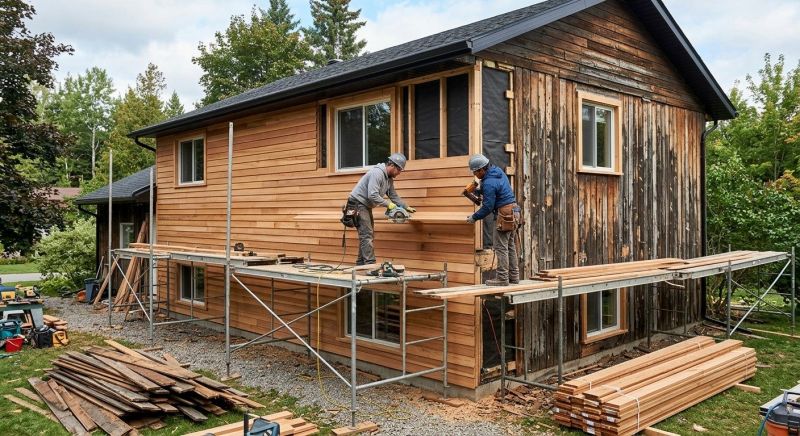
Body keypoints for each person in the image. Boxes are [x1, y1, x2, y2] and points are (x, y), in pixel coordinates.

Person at [347, 153, 415, 265]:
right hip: (357, 204)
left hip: (365, 205)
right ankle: (370, 265)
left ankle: (360, 263)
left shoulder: (389, 179)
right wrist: (388, 205)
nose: (399, 173)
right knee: (367, 235)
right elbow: (372, 195)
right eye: (399, 170)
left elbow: (393, 196)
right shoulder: (377, 173)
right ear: (392, 165)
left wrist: (405, 206)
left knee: (367, 234)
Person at [466, 154, 521, 286]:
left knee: (500, 248)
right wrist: (479, 190)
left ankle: (502, 278)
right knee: (510, 246)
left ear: (482, 169)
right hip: (514, 212)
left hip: (504, 214)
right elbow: (496, 191)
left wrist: (474, 217)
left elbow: (488, 206)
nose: (474, 174)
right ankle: (514, 276)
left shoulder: (489, 182)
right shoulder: (497, 171)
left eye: (475, 171)